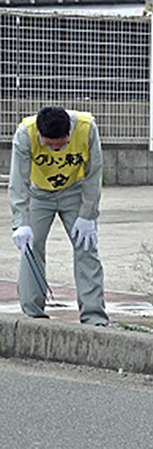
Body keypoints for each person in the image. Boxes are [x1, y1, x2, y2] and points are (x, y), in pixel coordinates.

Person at [8, 106, 109, 326]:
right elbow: (18, 181)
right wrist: (21, 222)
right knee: (31, 248)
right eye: (48, 144)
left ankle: (94, 317)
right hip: (39, 194)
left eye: (59, 144)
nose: (54, 149)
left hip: (74, 190)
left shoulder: (86, 128)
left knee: (86, 247)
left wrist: (88, 214)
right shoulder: (26, 133)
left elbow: (94, 172)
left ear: (69, 132)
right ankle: (32, 314)